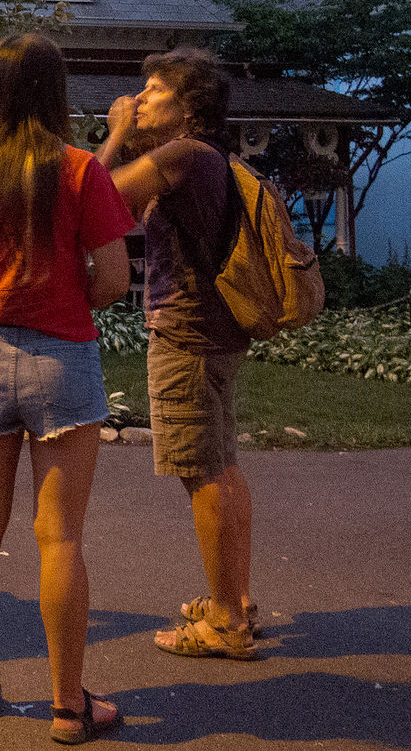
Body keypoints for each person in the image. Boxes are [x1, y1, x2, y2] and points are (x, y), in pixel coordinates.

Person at [0, 33, 135, 744]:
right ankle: (70, 707)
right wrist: (67, 297)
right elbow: (115, 278)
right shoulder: (79, 173)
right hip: (64, 360)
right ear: (54, 94)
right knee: (60, 537)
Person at [94, 47, 259, 660]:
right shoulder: (206, 158)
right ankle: (233, 600)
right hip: (214, 332)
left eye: (155, 89)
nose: (139, 99)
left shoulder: (183, 155)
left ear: (189, 107)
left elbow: (95, 198)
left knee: (203, 474)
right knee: (223, 466)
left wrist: (113, 136)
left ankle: (225, 624)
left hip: (186, 334)